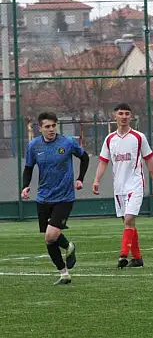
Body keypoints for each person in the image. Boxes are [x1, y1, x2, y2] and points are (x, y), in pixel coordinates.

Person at [21, 112, 90, 285]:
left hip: (64, 197)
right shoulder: (34, 146)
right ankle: (64, 272)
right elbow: (28, 168)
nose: (51, 129)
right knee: (49, 237)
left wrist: (80, 178)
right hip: (43, 197)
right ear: (40, 128)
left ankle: (67, 249)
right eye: (47, 126)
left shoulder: (67, 142)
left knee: (50, 235)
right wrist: (25, 186)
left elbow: (85, 157)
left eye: (53, 126)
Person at [92, 103, 153, 268]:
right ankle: (137, 258)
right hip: (119, 187)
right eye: (121, 113)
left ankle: (123, 255)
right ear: (115, 116)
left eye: (127, 114)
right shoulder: (110, 139)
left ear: (131, 116)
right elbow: (103, 162)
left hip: (135, 184)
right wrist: (96, 180)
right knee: (128, 222)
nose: (124, 116)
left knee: (129, 219)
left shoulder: (138, 137)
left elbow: (149, 159)